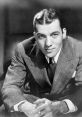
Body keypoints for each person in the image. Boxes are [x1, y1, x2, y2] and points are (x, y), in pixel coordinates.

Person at [2, 8, 82, 117]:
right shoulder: (22, 49)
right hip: (33, 104)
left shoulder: (78, 49)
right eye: (41, 36)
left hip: (66, 104)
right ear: (35, 36)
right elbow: (10, 86)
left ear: (63, 33)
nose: (48, 44)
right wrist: (24, 106)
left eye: (54, 34)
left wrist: (60, 107)